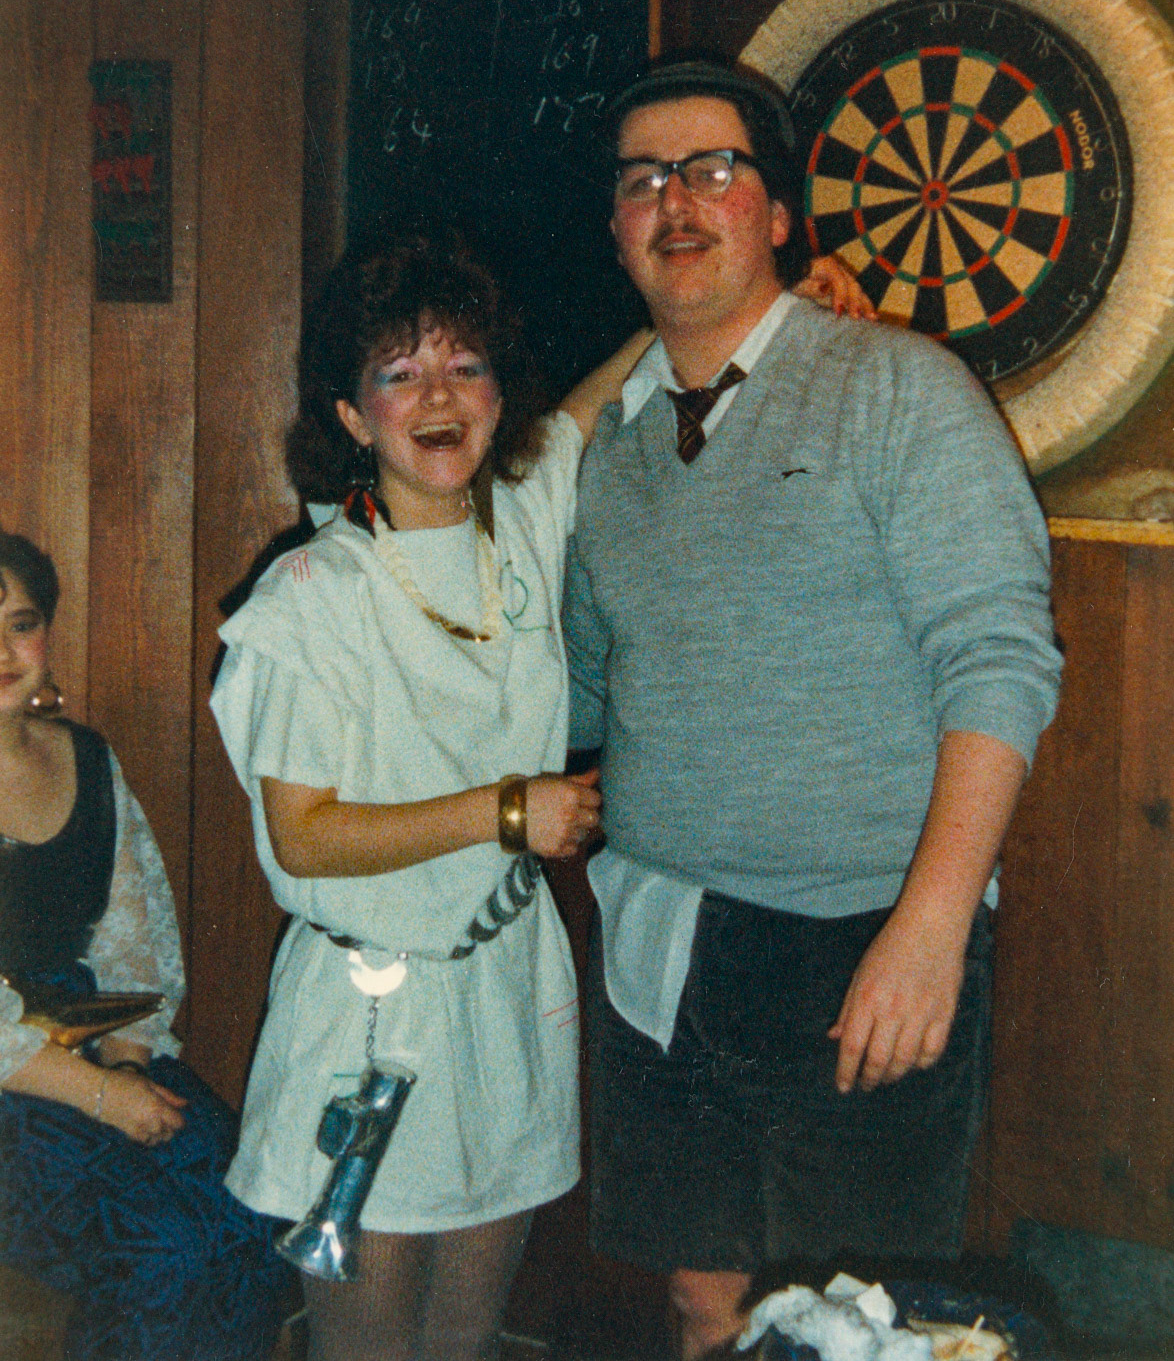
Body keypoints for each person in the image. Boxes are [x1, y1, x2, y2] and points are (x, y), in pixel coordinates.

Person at [208, 231, 869, 1361]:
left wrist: (762, 298)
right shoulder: (309, 596)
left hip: (507, 991)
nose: (437, 395)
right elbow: (302, 835)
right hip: (370, 1017)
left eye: (465, 366)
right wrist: (508, 811)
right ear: (353, 417)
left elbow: (608, 389)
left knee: (465, 1345)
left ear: (497, 395)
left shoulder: (518, 514)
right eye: (400, 372)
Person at [561, 58, 1065, 1359]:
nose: (676, 200)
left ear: (778, 213)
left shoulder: (898, 388)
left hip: (862, 942)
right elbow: (578, 682)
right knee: (702, 1307)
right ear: (615, 225)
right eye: (643, 179)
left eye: (713, 169)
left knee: (852, 1328)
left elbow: (1000, 661)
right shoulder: (608, 446)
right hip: (661, 943)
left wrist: (931, 926)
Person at [0, 530, 291, 1361]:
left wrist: (128, 1066)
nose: (3, 651)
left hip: (95, 1045)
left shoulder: (88, 760)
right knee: (161, 1246)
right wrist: (102, 1096)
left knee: (254, 1209)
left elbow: (135, 946)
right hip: (13, 1085)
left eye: (22, 623)